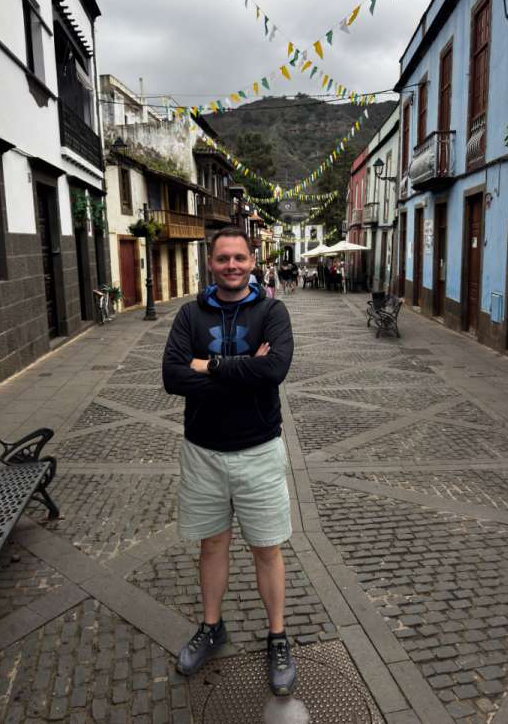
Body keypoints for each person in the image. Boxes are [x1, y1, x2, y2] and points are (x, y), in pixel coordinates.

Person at [161, 226, 298, 695]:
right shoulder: (188, 315)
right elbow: (172, 377)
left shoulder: (272, 312)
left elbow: (275, 369)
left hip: (259, 451)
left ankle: (277, 635)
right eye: (223, 259)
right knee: (212, 547)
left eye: (240, 257)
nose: (232, 266)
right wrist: (244, 373)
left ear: (253, 260)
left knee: (267, 549)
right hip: (203, 453)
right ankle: (212, 626)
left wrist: (210, 365)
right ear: (211, 263)